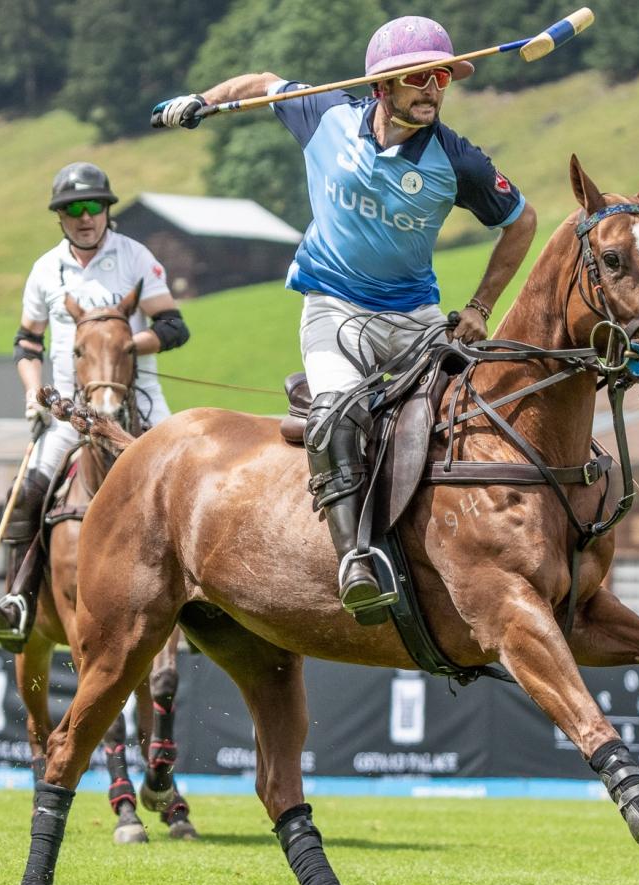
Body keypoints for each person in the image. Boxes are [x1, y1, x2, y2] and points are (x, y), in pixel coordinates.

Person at [152, 16, 537, 617]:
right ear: (382, 86)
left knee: (478, 403)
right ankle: (356, 555)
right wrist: (201, 101)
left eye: (440, 77)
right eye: (418, 78)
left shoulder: (457, 160)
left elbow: (522, 221)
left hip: (415, 316)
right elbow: (261, 83)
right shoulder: (325, 115)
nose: (433, 89)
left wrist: (482, 307)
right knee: (337, 412)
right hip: (333, 306)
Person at [0, 162, 191, 650]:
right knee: (28, 490)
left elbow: (174, 327)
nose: (84, 216)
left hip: (140, 408)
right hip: (68, 413)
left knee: (188, 485)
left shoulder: (136, 257)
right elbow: (26, 343)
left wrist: (119, 346)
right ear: (60, 217)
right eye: (72, 209)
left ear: (106, 210)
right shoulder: (44, 270)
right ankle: (17, 600)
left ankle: (206, 605)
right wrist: (33, 391)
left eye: (93, 206)